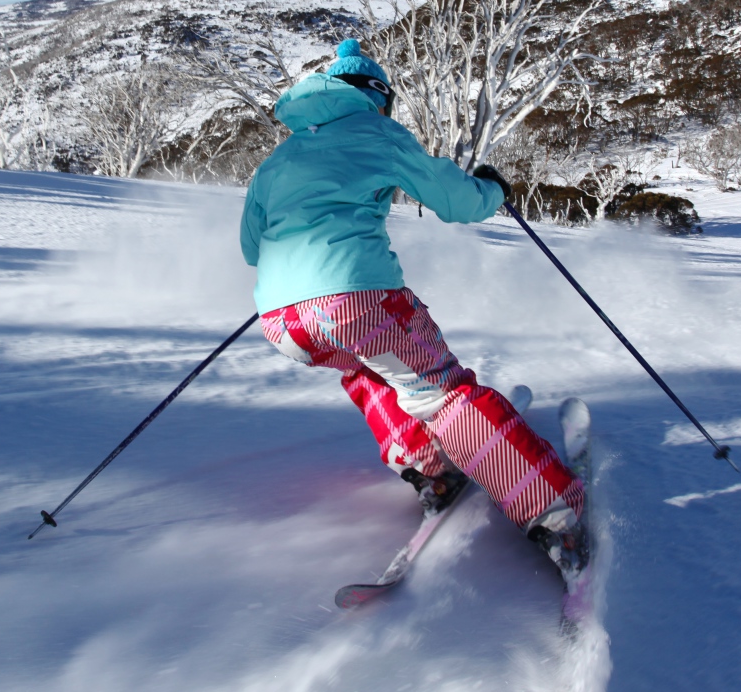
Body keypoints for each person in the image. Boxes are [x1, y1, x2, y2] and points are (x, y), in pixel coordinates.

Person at [240, 39, 587, 574]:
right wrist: (491, 190)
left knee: (369, 368)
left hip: (285, 320)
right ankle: (554, 512)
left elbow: (250, 247)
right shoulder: (376, 130)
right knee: (443, 394)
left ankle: (431, 468)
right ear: (376, 97)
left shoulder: (278, 158)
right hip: (357, 301)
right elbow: (452, 199)